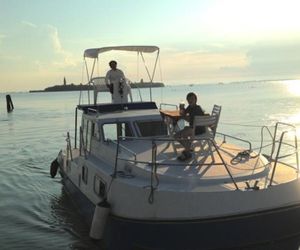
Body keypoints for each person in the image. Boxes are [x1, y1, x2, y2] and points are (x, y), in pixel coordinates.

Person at [174, 92, 205, 161]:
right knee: (185, 129)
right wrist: (182, 109)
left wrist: (183, 116)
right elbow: (184, 113)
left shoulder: (197, 109)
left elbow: (188, 119)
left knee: (176, 136)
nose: (190, 100)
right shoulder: (190, 107)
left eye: (192, 99)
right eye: (188, 99)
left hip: (196, 130)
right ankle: (188, 149)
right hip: (196, 128)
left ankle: (187, 151)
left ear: (195, 100)